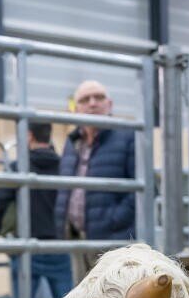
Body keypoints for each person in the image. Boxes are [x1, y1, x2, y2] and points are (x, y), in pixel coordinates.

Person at [53, 79, 137, 284]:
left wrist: (114, 220)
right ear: (76, 109)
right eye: (85, 99)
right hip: (76, 241)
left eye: (98, 97)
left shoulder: (128, 137)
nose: (92, 103)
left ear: (109, 105)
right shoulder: (72, 143)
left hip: (113, 242)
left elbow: (143, 187)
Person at [0, 122, 72, 298]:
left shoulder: (18, 167)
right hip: (59, 246)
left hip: (26, 247)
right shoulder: (64, 168)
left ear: (28, 135)